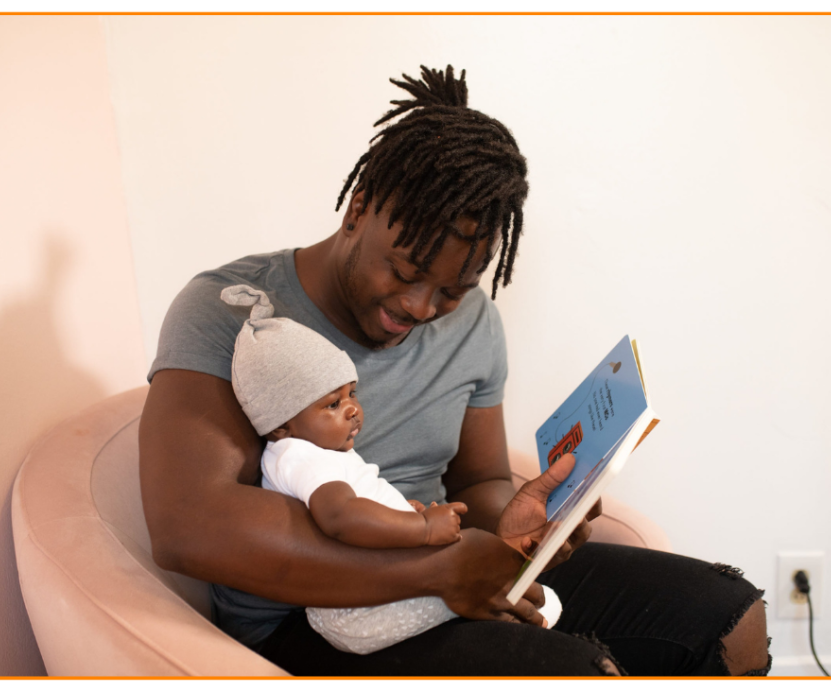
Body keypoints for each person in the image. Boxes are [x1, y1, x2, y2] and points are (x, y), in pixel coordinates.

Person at [139, 64, 772, 676]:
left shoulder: (474, 324)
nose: (419, 308)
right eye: (406, 272)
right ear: (358, 210)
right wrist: (433, 570)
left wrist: (520, 522)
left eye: (452, 290)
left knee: (724, 613)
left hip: (448, 569)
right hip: (311, 621)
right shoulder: (232, 310)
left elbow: (481, 480)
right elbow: (189, 526)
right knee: (572, 670)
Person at [216, 282, 562, 654]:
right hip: (355, 610)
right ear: (281, 424)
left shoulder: (320, 452)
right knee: (511, 594)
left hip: (369, 596)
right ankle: (527, 603)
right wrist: (422, 528)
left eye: (352, 393)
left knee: (497, 582)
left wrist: (399, 514)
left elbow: (357, 509)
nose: (352, 409)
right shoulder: (299, 456)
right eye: (332, 404)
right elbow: (341, 517)